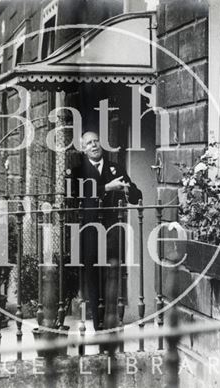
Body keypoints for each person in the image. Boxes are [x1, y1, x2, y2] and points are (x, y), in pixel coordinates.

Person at [68, 131, 142, 334]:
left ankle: (112, 319)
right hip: (90, 230)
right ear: (83, 149)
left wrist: (128, 190)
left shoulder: (115, 167)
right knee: (92, 274)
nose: (94, 145)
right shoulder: (77, 171)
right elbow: (75, 195)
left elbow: (136, 195)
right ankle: (98, 323)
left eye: (96, 141)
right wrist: (107, 187)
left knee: (113, 271)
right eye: (89, 143)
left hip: (112, 230)